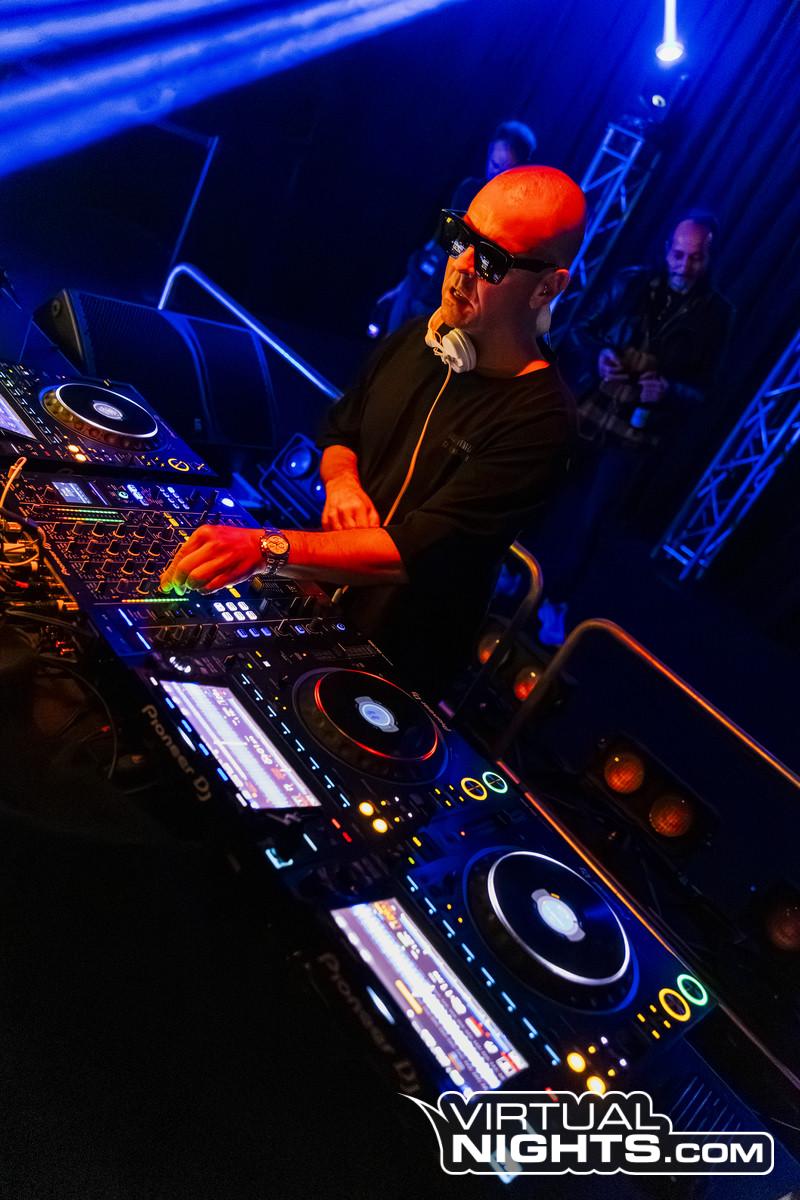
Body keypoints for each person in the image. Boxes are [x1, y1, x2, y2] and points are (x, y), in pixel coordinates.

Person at [160, 165, 586, 696]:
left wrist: (268, 549)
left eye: (492, 260)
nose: (460, 266)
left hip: (393, 663)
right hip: (314, 601)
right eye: (460, 238)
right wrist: (342, 482)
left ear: (548, 287)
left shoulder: (541, 423)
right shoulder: (423, 337)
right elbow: (342, 428)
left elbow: (418, 548)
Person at [532, 210, 734, 646]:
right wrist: (599, 355)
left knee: (593, 520)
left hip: (638, 428)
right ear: (667, 249)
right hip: (592, 403)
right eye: (678, 254)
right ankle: (515, 572)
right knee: (539, 487)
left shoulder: (717, 315)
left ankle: (557, 599)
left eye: (695, 258)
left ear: (709, 258)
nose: (684, 265)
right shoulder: (632, 281)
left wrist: (670, 389)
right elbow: (582, 328)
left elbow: (707, 390)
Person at [369, 120, 538, 337]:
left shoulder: (515, 217)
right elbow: (438, 242)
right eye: (494, 164)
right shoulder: (468, 189)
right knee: (389, 345)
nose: (495, 174)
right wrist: (402, 287)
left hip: (446, 305)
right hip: (419, 284)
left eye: (504, 170)